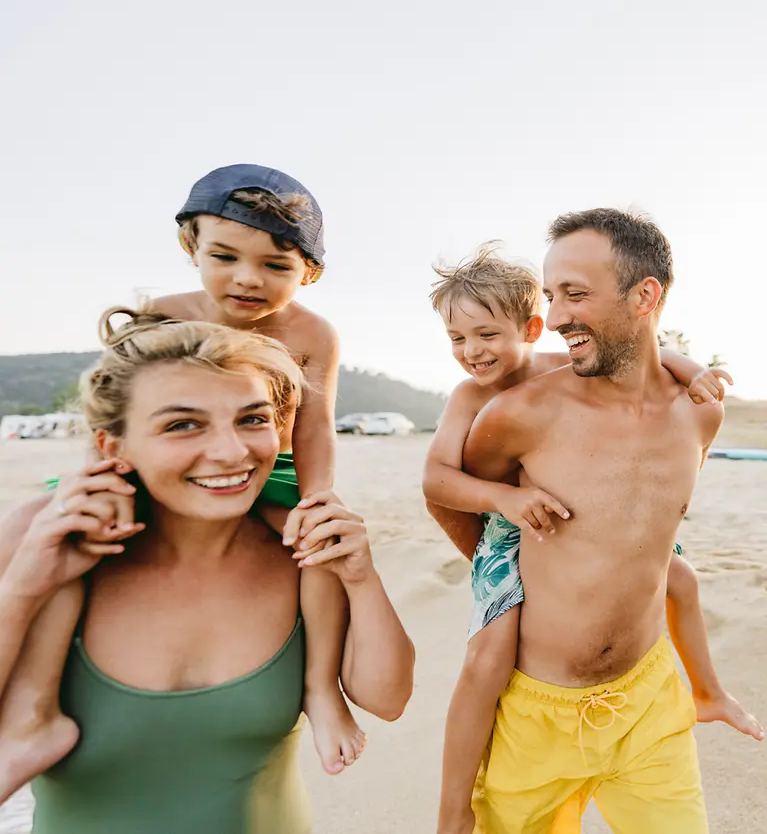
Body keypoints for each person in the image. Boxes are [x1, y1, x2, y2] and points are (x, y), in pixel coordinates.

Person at [0, 164, 362, 799]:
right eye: (225, 256)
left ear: (309, 273)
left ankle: (321, 691)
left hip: (264, 468)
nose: (248, 279)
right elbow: (113, 408)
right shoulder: (161, 314)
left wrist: (316, 498)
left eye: (276, 266)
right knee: (74, 536)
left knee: (316, 552)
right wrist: (96, 481)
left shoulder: (312, 333)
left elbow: (315, 426)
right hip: (148, 465)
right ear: (190, 247)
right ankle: (31, 709)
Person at [0, 309, 414, 834]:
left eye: (253, 419)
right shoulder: (41, 537)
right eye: (182, 424)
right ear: (113, 446)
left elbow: (389, 698)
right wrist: (22, 588)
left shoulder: (297, 546)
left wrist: (362, 577)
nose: (230, 451)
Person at [428, 211, 762, 834]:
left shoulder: (700, 416)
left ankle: (707, 692)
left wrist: (688, 367)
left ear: (645, 295)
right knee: (486, 655)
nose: (554, 318)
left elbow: (650, 531)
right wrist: (503, 570)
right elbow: (448, 491)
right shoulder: (514, 412)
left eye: (573, 295)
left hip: (649, 706)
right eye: (552, 298)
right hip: (535, 720)